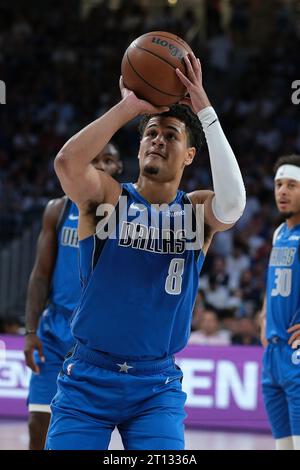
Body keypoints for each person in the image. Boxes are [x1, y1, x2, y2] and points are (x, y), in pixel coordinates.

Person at [45, 53, 245, 450]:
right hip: (88, 377)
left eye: (172, 135)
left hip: (156, 386)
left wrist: (205, 112)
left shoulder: (196, 209)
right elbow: (67, 162)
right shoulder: (107, 198)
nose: (158, 139)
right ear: (138, 149)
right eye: (151, 133)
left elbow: (234, 204)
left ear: (189, 156)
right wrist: (129, 107)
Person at [24, 143, 122, 450]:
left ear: (119, 168)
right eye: (95, 159)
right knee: (38, 422)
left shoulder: (129, 215)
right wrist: (29, 331)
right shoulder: (58, 209)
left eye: (110, 160)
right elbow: (41, 274)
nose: (102, 165)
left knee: (87, 430)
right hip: (54, 332)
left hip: (96, 339)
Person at [261, 154, 300, 450]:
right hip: (273, 352)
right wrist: (264, 315)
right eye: (278, 185)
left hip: (296, 353)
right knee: (283, 446)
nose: (282, 192)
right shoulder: (278, 233)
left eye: (292, 185)